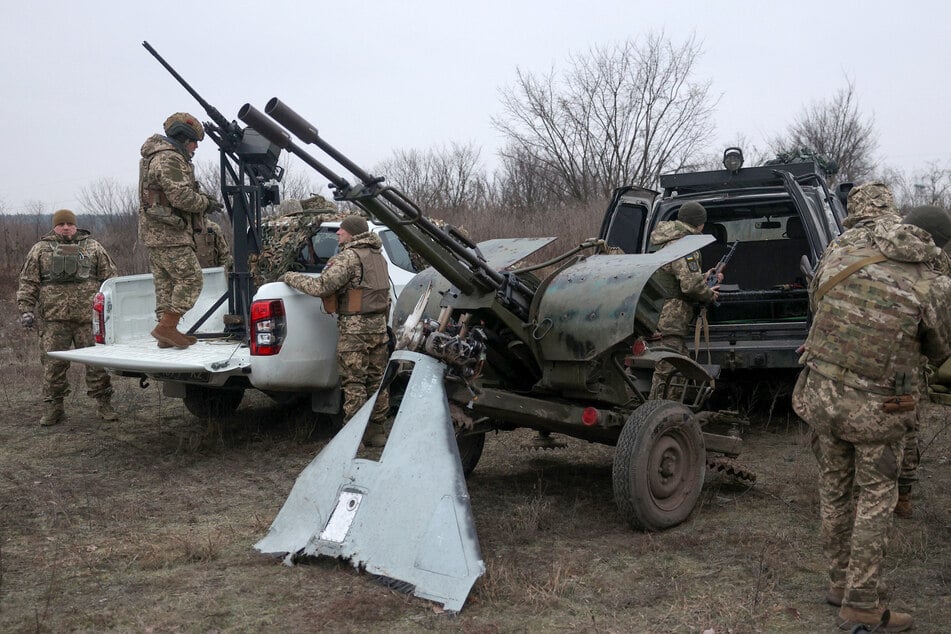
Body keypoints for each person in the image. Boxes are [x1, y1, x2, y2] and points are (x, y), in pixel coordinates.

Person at [792, 206, 951, 631]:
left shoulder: (845, 254)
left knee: (834, 489)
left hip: (823, 396)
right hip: (878, 410)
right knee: (877, 497)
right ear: (938, 245)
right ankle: (861, 603)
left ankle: (839, 582)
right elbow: (943, 356)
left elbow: (818, 303)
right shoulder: (933, 285)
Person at [810, 182, 922, 519]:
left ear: (854, 211)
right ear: (889, 205)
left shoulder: (837, 247)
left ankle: (847, 492)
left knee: (842, 417)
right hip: (901, 349)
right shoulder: (910, 240)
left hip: (844, 349)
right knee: (903, 414)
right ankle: (901, 494)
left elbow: (817, 298)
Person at [280, 215, 392, 446]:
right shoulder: (379, 257)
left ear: (352, 233)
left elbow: (321, 286)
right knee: (376, 382)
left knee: (354, 383)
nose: (339, 233)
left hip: (354, 332)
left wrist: (290, 276)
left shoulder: (348, 258)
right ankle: (377, 432)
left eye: (342, 230)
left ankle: (352, 437)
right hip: (378, 329)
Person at [17, 209, 120, 426]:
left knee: (97, 364)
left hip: (88, 320)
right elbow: (28, 282)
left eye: (69, 224)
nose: (66, 227)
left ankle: (104, 404)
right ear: (55, 226)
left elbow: (110, 278)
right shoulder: (40, 249)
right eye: (61, 224)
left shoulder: (93, 247)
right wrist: (26, 309)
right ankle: (54, 408)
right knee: (53, 366)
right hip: (54, 321)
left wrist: (113, 307)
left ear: (75, 226)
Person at [139, 112, 221, 349]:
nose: (195, 146)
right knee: (191, 279)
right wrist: (207, 203)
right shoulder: (169, 159)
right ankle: (166, 327)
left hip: (157, 233)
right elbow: (181, 197)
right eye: (194, 141)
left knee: (166, 284)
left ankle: (166, 333)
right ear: (184, 138)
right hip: (170, 234)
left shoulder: (155, 156)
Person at [647, 201, 720, 399]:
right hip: (671, 318)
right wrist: (709, 293)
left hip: (656, 311)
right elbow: (690, 285)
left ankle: (667, 414)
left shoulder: (665, 239)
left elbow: (674, 275)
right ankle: (656, 415)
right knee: (668, 369)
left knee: (676, 367)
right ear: (700, 224)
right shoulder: (685, 245)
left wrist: (704, 276)